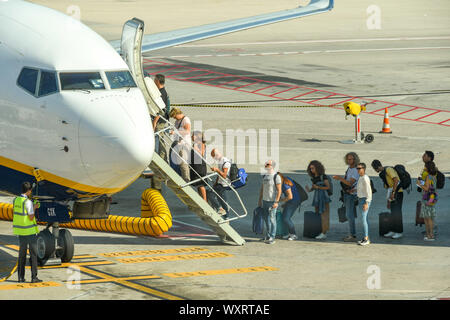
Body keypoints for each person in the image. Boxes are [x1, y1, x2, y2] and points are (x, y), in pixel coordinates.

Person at [13, 182, 42, 283]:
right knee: (33, 255)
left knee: (22, 255)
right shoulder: (28, 202)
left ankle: (20, 277)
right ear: (29, 191)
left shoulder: (16, 200)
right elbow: (30, 217)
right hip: (29, 232)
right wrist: (34, 207)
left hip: (20, 232)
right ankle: (34, 277)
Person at [371, 159, 404, 239]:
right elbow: (388, 187)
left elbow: (396, 180)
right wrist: (388, 200)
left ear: (377, 167)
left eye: (375, 169)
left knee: (397, 213)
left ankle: (399, 232)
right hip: (392, 192)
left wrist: (393, 193)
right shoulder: (383, 173)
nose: (376, 171)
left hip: (398, 193)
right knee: (393, 212)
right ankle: (393, 230)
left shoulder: (388, 169)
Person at [333, 152, 360, 242]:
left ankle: (352, 234)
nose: (349, 161)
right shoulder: (350, 168)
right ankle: (352, 234)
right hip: (347, 193)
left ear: (355, 159)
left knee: (349, 215)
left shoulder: (356, 170)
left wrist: (340, 178)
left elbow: (350, 183)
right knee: (349, 214)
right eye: (348, 159)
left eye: (351, 159)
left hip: (351, 194)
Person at [257, 160, 282, 244]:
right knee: (266, 219)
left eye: (267, 164)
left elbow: (279, 190)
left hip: (272, 202)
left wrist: (276, 202)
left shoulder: (276, 177)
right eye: (265, 163)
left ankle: (272, 236)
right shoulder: (264, 176)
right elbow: (262, 188)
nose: (265, 165)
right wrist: (260, 199)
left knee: (272, 219)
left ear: (272, 166)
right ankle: (268, 235)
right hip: (265, 200)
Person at [306, 160, 331, 240]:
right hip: (317, 198)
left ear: (317, 168)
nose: (311, 170)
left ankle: (324, 233)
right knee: (318, 215)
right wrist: (309, 190)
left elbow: (328, 187)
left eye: (313, 168)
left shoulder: (323, 176)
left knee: (324, 215)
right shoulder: (313, 178)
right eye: (310, 169)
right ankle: (319, 231)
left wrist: (318, 187)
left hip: (324, 198)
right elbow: (314, 188)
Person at [417, 161, 438, 241]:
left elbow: (426, 188)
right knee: (429, 218)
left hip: (427, 199)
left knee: (427, 218)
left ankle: (430, 235)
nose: (424, 168)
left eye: (425, 167)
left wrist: (419, 184)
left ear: (427, 168)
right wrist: (422, 182)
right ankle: (429, 234)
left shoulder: (428, 177)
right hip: (432, 199)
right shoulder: (433, 176)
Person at [169, 107, 191, 182]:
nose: (174, 118)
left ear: (178, 113)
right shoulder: (177, 122)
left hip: (184, 144)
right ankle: (180, 177)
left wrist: (176, 132)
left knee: (183, 163)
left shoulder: (185, 120)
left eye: (175, 116)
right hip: (178, 144)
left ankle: (186, 179)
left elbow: (187, 131)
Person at [277, 172, 301, 241]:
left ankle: (293, 234)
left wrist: (281, 200)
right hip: (293, 200)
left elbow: (290, 196)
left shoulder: (284, 184)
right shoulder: (286, 178)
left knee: (286, 218)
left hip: (293, 201)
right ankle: (288, 233)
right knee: (284, 217)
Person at [209, 148, 231, 217]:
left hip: (224, 184)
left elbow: (224, 175)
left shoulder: (225, 162)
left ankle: (226, 215)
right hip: (219, 183)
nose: (214, 159)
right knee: (211, 194)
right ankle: (220, 208)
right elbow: (219, 175)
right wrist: (216, 182)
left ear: (216, 155)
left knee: (222, 200)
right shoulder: (220, 161)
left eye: (214, 157)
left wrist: (217, 170)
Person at [353, 163, 372, 246]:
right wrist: (353, 190)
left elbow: (369, 191)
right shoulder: (360, 178)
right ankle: (365, 237)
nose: (358, 170)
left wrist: (367, 203)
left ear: (363, 169)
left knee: (363, 219)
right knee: (365, 219)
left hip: (364, 200)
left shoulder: (365, 178)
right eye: (357, 168)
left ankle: (366, 239)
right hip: (361, 199)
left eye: (359, 168)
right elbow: (360, 189)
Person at [190, 131, 207, 201]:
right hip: (195, 165)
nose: (191, 137)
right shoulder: (195, 144)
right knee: (197, 184)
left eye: (193, 136)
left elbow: (202, 154)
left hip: (200, 166)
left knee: (201, 184)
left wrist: (195, 148)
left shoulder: (201, 144)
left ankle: (205, 200)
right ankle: (201, 200)